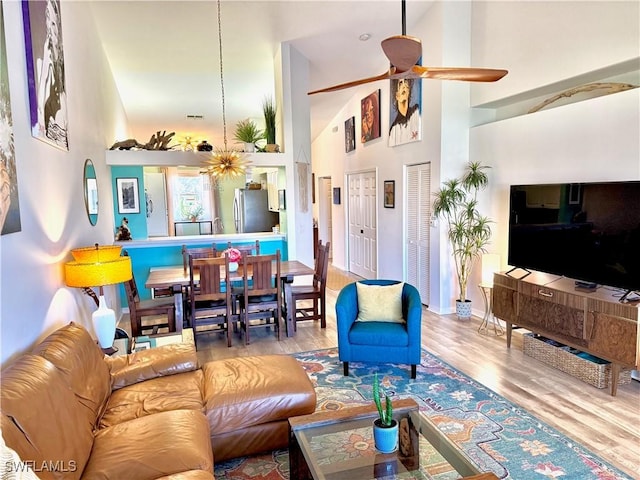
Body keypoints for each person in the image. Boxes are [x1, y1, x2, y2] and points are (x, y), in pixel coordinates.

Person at [34, 0, 68, 148]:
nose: (54, 32)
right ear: (47, 24)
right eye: (51, 24)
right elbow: (40, 110)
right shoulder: (42, 63)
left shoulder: (62, 80)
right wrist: (45, 75)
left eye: (56, 25)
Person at [389, 78, 420, 147]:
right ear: (397, 95)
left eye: (405, 82)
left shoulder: (416, 111)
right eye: (400, 83)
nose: (403, 86)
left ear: (408, 91)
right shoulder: (394, 128)